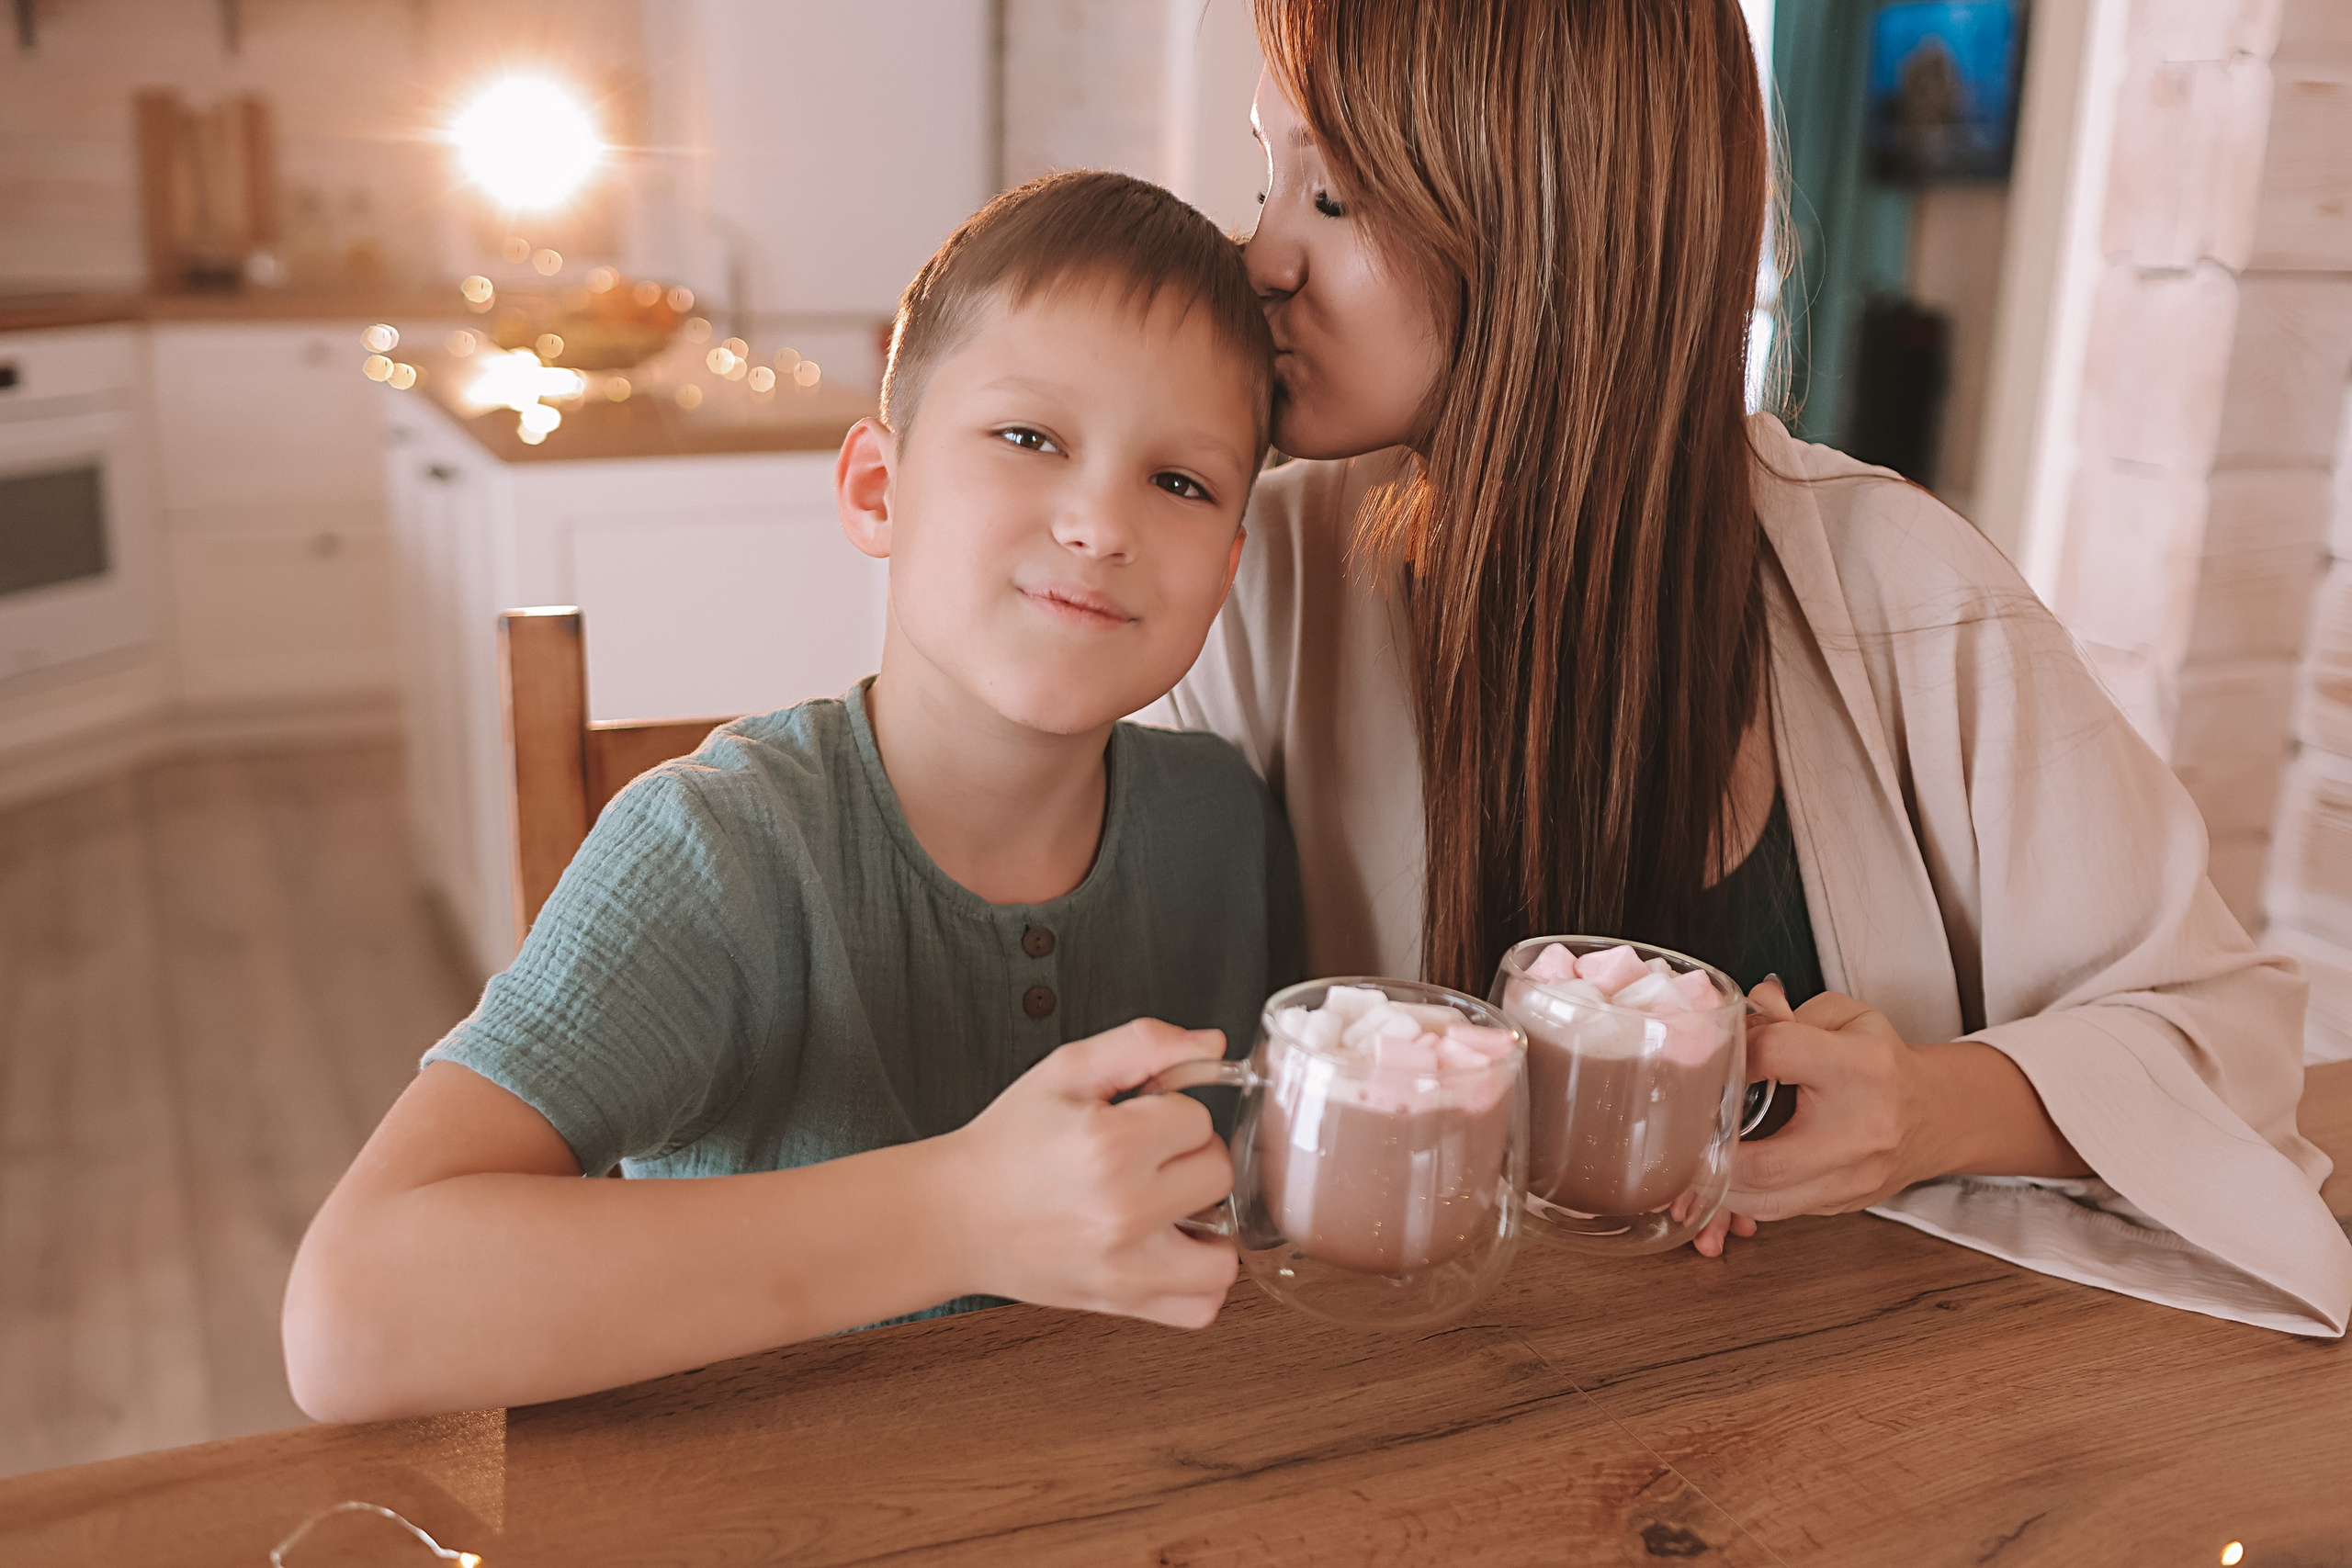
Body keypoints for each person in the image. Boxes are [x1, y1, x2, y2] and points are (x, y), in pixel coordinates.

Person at [1153, 0, 2349, 1336]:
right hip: (1400, 1395)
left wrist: (1926, 1112)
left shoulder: (1901, 589)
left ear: (1553, 209)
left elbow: (2223, 1040)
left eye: (1329, 194)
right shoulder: (1254, 579)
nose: (1258, 257)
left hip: (1849, 1408)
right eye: (1266, 179)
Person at [284, 171, 1305, 1422]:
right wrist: (962, 1214)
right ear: (878, 490)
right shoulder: (715, 850)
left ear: (1227, 570)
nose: (1100, 524)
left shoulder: (1226, 827)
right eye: (1030, 439)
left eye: (1182, 482)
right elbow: (353, 1318)